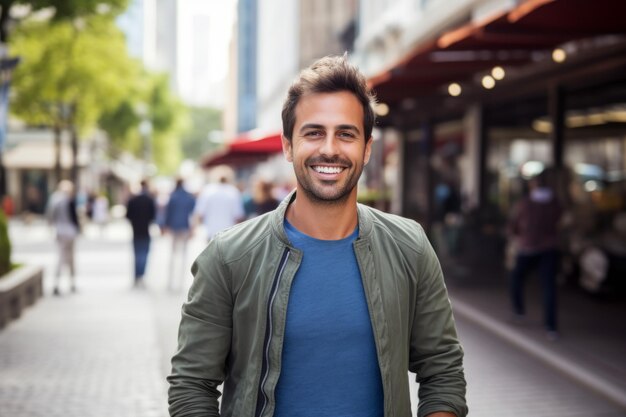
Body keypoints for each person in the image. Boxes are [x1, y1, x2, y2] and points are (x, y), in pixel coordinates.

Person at [168, 55, 467, 417]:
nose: (329, 149)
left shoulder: (410, 246)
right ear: (288, 146)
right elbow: (191, 385)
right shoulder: (229, 256)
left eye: (346, 134)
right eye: (313, 133)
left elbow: (443, 371)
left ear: (367, 148)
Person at [508, 170, 562, 339]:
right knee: (549, 287)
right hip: (550, 248)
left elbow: (516, 224)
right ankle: (551, 326)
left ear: (533, 184)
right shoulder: (555, 203)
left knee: (516, 278)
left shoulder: (526, 203)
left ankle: (519, 311)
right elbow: (561, 220)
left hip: (528, 247)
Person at [46, 180, 80, 295]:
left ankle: (58, 284)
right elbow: (74, 217)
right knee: (70, 259)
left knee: (61, 258)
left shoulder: (54, 199)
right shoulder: (68, 200)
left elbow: (50, 216)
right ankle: (71, 283)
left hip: (60, 232)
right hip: (70, 232)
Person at [193, 166, 245, 241]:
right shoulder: (233, 192)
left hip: (211, 232)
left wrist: (196, 228)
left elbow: (200, 213)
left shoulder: (207, 190)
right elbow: (238, 215)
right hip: (228, 232)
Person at [163, 178, 196, 292]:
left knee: (173, 255)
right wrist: (193, 229)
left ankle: (170, 281)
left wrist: (165, 226)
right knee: (183, 255)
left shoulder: (173, 196)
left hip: (174, 227)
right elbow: (193, 213)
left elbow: (168, 213)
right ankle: (181, 282)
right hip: (185, 227)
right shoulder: (188, 197)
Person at [126, 180, 156, 287]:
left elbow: (128, 215)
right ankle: (141, 275)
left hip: (136, 231)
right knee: (144, 254)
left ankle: (137, 276)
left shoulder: (133, 200)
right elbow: (153, 216)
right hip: (145, 230)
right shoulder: (150, 200)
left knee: (137, 254)